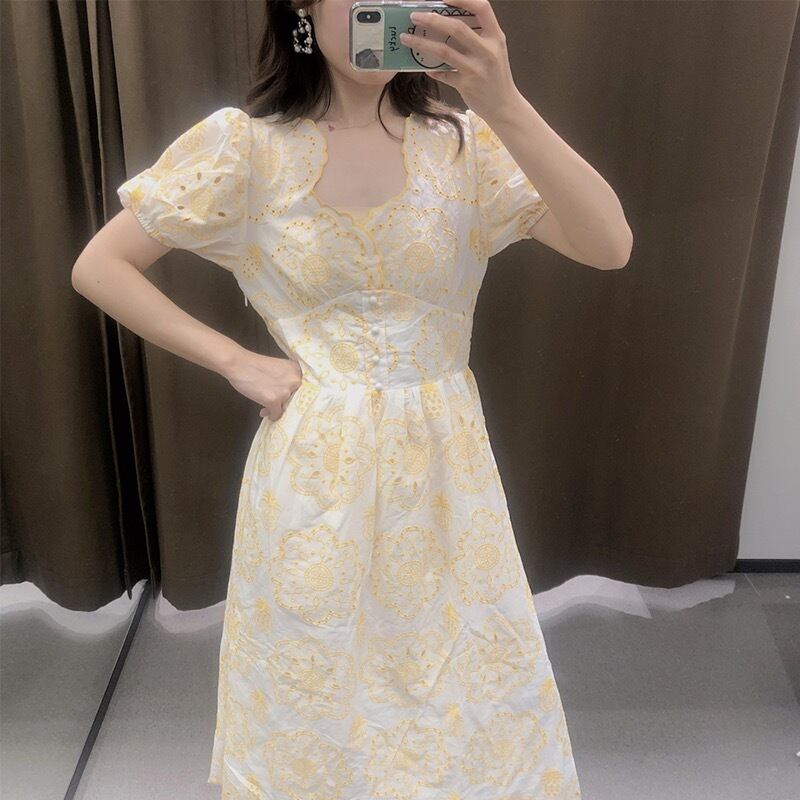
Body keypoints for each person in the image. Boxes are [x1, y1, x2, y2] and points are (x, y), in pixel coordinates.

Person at [73, 0, 631, 796]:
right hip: (315, 481)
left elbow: (609, 244)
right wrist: (236, 361)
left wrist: (503, 100)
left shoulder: (467, 145)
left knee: (461, 696)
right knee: (321, 695)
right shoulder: (246, 148)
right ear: (302, 8)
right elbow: (99, 267)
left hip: (448, 480)